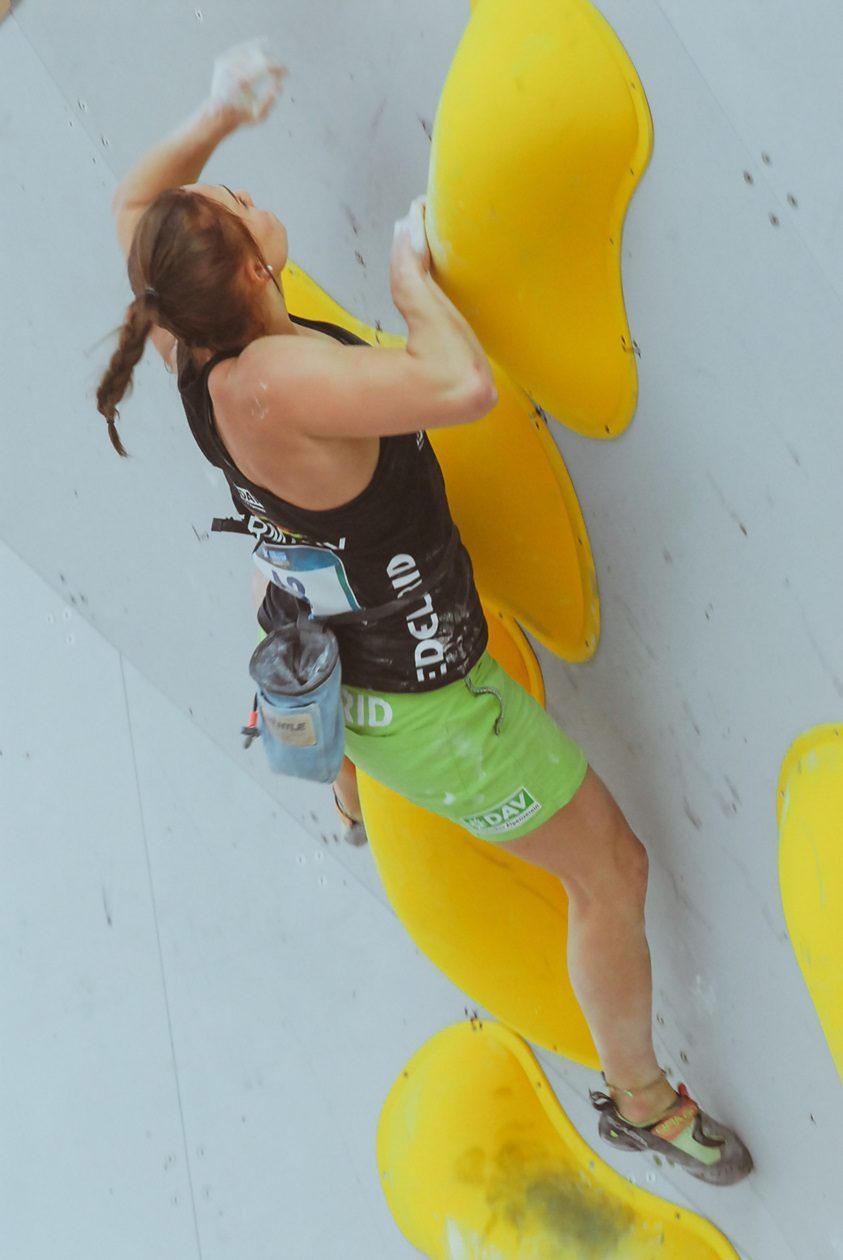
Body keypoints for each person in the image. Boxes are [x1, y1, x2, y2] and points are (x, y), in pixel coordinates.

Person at [96, 43, 751, 1185]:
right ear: (254, 273)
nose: (250, 194)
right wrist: (411, 281)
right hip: (436, 705)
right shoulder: (280, 380)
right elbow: (460, 387)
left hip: (319, 629)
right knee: (611, 873)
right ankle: (643, 1103)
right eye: (241, 207)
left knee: (314, 625)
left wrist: (215, 115)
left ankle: (344, 784)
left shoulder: (182, 335)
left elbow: (134, 201)